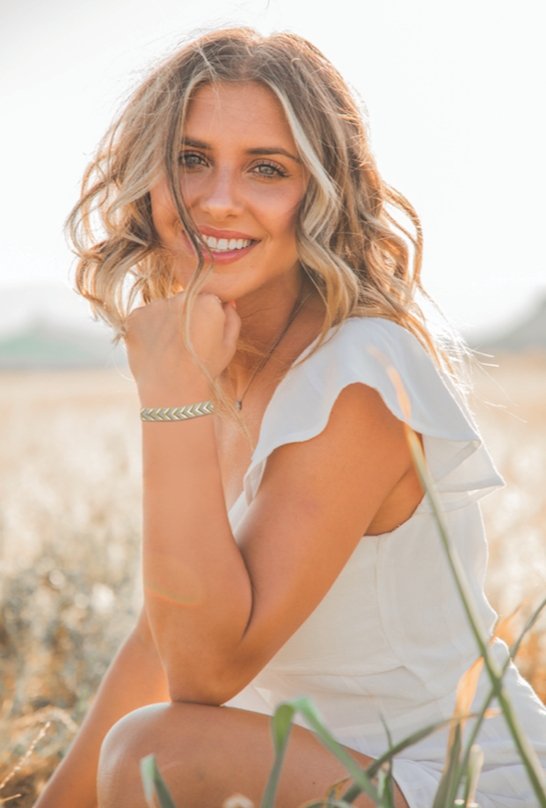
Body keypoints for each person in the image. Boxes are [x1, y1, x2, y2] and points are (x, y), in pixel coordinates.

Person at [34, 28, 546, 808]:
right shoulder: (220, 355)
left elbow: (206, 671)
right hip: (322, 770)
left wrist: (169, 396)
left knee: (155, 753)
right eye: (192, 158)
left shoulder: (359, 377)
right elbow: (159, 642)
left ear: (323, 194)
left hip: (453, 782)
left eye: (266, 169)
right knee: (140, 744)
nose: (217, 198)